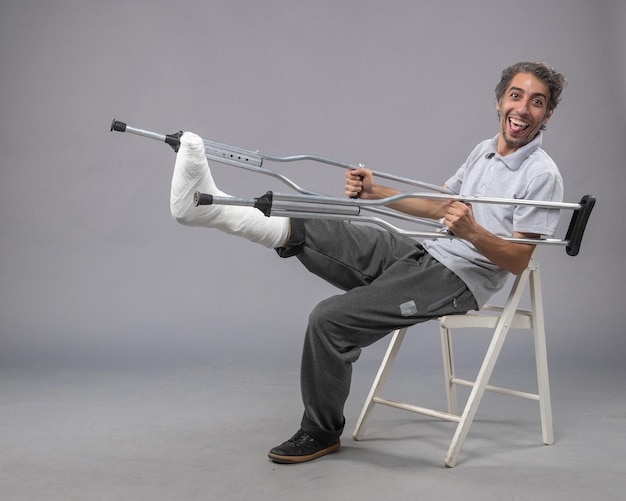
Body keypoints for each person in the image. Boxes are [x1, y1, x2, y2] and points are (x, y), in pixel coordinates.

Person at [169, 61, 566, 464]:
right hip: (425, 252)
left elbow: (518, 260)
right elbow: (441, 206)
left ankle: (320, 432)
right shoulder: (483, 151)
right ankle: (208, 208)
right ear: (499, 101)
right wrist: (377, 193)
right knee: (312, 217)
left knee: (328, 319)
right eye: (516, 96)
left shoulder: (542, 175)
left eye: (537, 102)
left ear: (547, 114)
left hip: (458, 281)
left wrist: (473, 233)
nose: (523, 109)